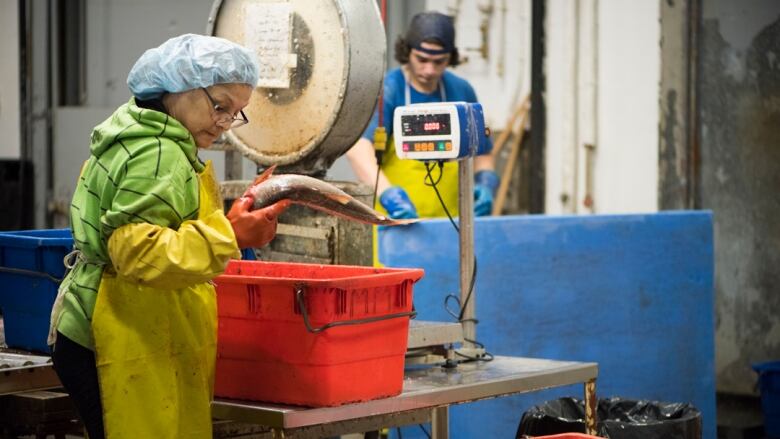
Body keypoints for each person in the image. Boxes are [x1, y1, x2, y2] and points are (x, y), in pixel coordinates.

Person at [47, 34, 289, 439]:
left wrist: (231, 218)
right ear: (178, 85)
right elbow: (137, 253)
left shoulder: (140, 133)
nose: (225, 123)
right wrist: (228, 233)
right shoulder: (157, 153)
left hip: (119, 325)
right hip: (116, 334)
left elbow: (165, 221)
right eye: (219, 106)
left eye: (236, 114)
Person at [346, 11, 500, 219]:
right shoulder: (390, 90)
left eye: (439, 62)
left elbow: (482, 151)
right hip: (398, 220)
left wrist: (486, 182)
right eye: (422, 59)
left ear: (450, 57)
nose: (429, 70)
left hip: (452, 222)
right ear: (407, 51)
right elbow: (358, 149)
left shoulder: (461, 91)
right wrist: (389, 196)